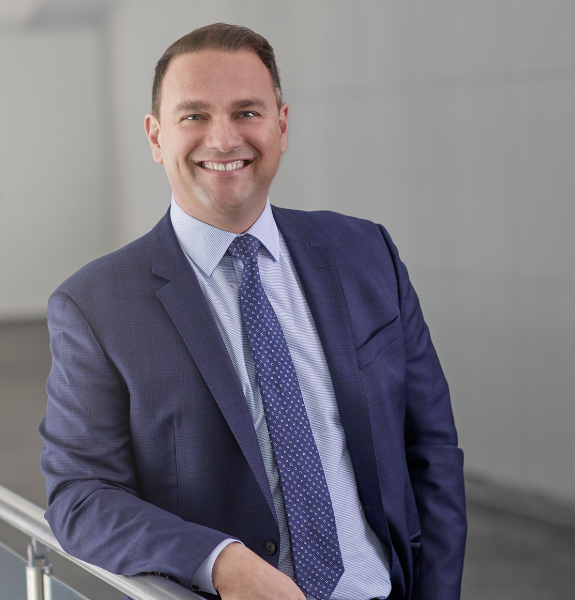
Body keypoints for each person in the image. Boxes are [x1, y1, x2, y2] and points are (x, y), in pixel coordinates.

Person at [40, 23, 467, 600]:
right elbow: (81, 496)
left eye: (247, 112)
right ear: (156, 136)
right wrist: (217, 561)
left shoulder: (367, 253)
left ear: (281, 126)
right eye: (194, 115)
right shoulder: (95, 305)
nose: (223, 139)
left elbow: (432, 451)